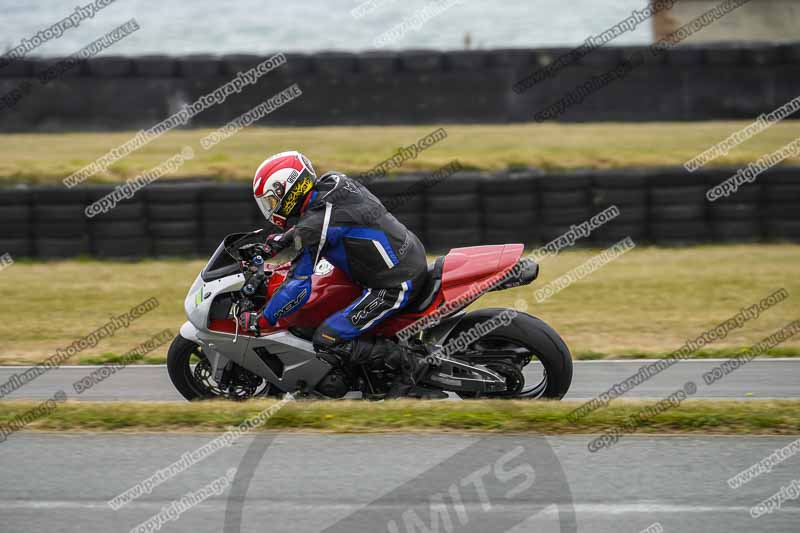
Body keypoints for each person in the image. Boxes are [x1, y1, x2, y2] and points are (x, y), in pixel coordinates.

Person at [239, 150, 430, 398]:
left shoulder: (315, 225)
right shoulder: (333, 182)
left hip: (394, 283)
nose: (271, 209)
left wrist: (262, 320)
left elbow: (299, 285)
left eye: (271, 201)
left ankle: (412, 367)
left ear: (289, 191)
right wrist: (276, 244)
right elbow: (318, 222)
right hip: (404, 255)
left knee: (327, 337)